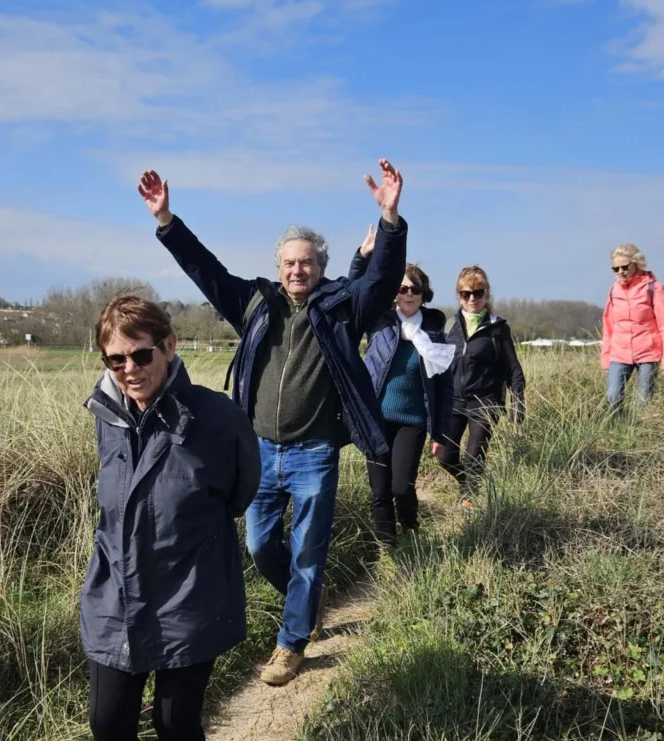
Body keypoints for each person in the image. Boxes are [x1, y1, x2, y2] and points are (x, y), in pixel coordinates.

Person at [138, 161, 407, 687]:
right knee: (261, 547)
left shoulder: (341, 306)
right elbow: (206, 270)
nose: (297, 270)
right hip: (259, 450)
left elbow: (381, 280)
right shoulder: (256, 304)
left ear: (321, 267)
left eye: (306, 262)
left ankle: (291, 642)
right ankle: (306, 603)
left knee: (307, 552)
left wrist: (391, 220)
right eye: (289, 262)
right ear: (278, 267)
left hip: (314, 453)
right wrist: (166, 220)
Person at [80, 294, 260, 741]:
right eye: (115, 359)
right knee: (107, 718)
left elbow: (241, 489)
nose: (129, 369)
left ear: (170, 346)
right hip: (116, 592)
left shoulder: (216, 415)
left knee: (175, 720)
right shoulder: (106, 413)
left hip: (189, 590)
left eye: (140, 355)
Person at [351, 246, 454, 546]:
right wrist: (363, 256)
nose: (409, 293)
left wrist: (440, 432)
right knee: (379, 490)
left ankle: (410, 529)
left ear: (424, 295)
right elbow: (356, 291)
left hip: (412, 421)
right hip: (376, 420)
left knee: (400, 487)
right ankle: (388, 547)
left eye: (415, 289)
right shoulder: (379, 323)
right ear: (394, 293)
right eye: (402, 288)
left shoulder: (433, 334)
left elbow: (444, 388)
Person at [437, 266, 525, 508]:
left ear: (486, 294)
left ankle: (469, 500)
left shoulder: (498, 328)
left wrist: (518, 407)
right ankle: (468, 483)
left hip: (485, 402)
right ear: (459, 296)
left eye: (478, 292)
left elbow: (514, 370)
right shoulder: (449, 326)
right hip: (453, 401)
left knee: (473, 456)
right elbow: (438, 367)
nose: (472, 298)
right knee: (445, 457)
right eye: (466, 293)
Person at [601, 243, 664, 415]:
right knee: (613, 397)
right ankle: (618, 428)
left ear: (636, 264)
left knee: (643, 401)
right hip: (619, 353)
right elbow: (608, 327)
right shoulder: (613, 290)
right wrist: (605, 356)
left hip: (648, 353)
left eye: (625, 267)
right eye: (616, 269)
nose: (621, 272)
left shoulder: (654, 288)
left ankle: (639, 429)